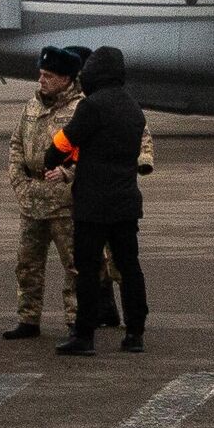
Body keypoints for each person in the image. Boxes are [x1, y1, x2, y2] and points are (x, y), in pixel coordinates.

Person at [44, 46, 150, 355]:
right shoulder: (133, 107)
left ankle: (84, 335)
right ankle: (135, 333)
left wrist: (51, 158)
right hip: (126, 201)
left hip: (93, 204)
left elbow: (68, 140)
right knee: (130, 268)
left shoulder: (92, 106)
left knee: (87, 270)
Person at [3, 46, 86, 340]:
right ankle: (28, 319)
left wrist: (68, 175)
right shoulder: (31, 107)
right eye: (40, 74)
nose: (42, 81)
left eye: (48, 76)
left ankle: (77, 322)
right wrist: (20, 183)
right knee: (27, 264)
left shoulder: (81, 109)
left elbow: (90, 155)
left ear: (66, 78)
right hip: (32, 198)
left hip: (65, 202)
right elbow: (15, 145)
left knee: (75, 266)